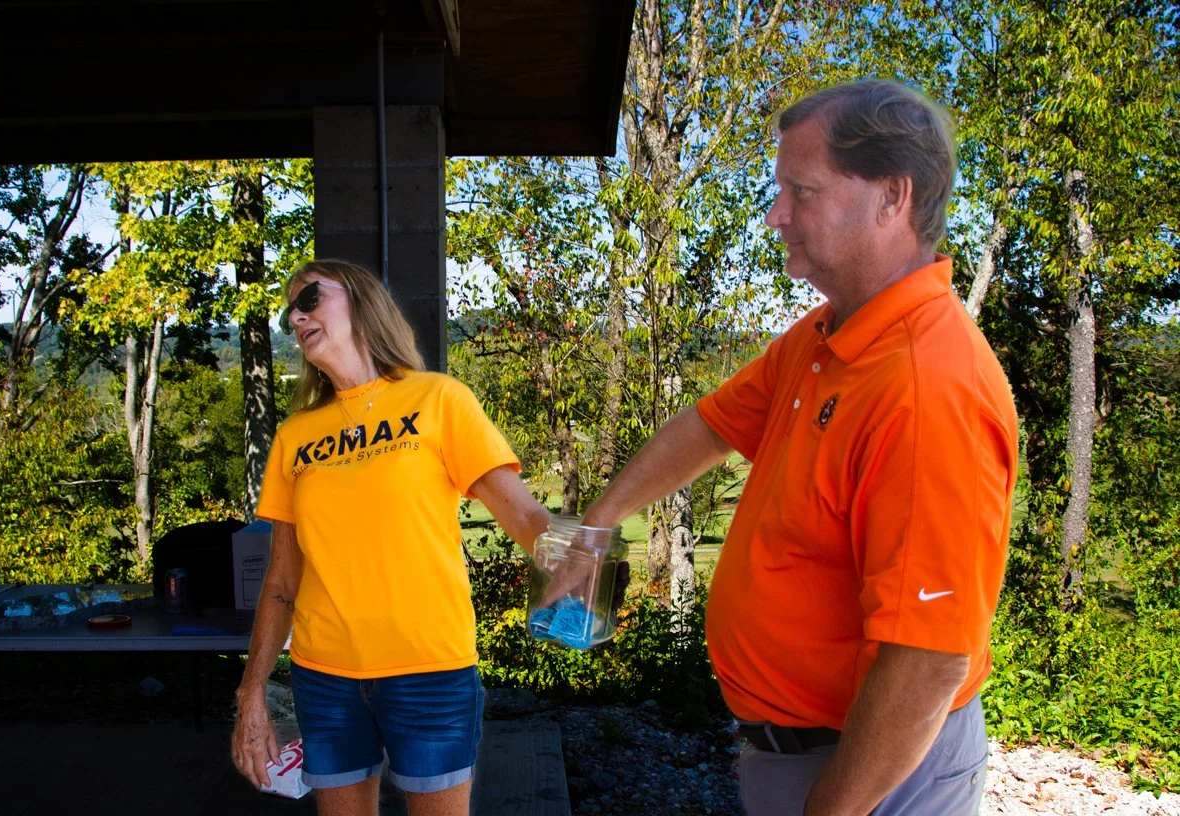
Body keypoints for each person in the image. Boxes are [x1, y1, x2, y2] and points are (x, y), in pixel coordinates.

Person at [582, 80, 1018, 815]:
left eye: (800, 191)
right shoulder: (831, 336)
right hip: (799, 752)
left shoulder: (926, 388)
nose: (776, 216)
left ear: (891, 197)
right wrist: (598, 525)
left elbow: (927, 662)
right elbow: (711, 425)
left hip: (872, 770)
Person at [231, 259, 550, 816]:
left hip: (429, 670)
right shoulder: (295, 435)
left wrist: (583, 557)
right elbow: (282, 581)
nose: (296, 315)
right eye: (289, 311)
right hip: (324, 679)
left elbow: (521, 515)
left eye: (309, 298)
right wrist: (251, 690)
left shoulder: (438, 399)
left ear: (360, 301)